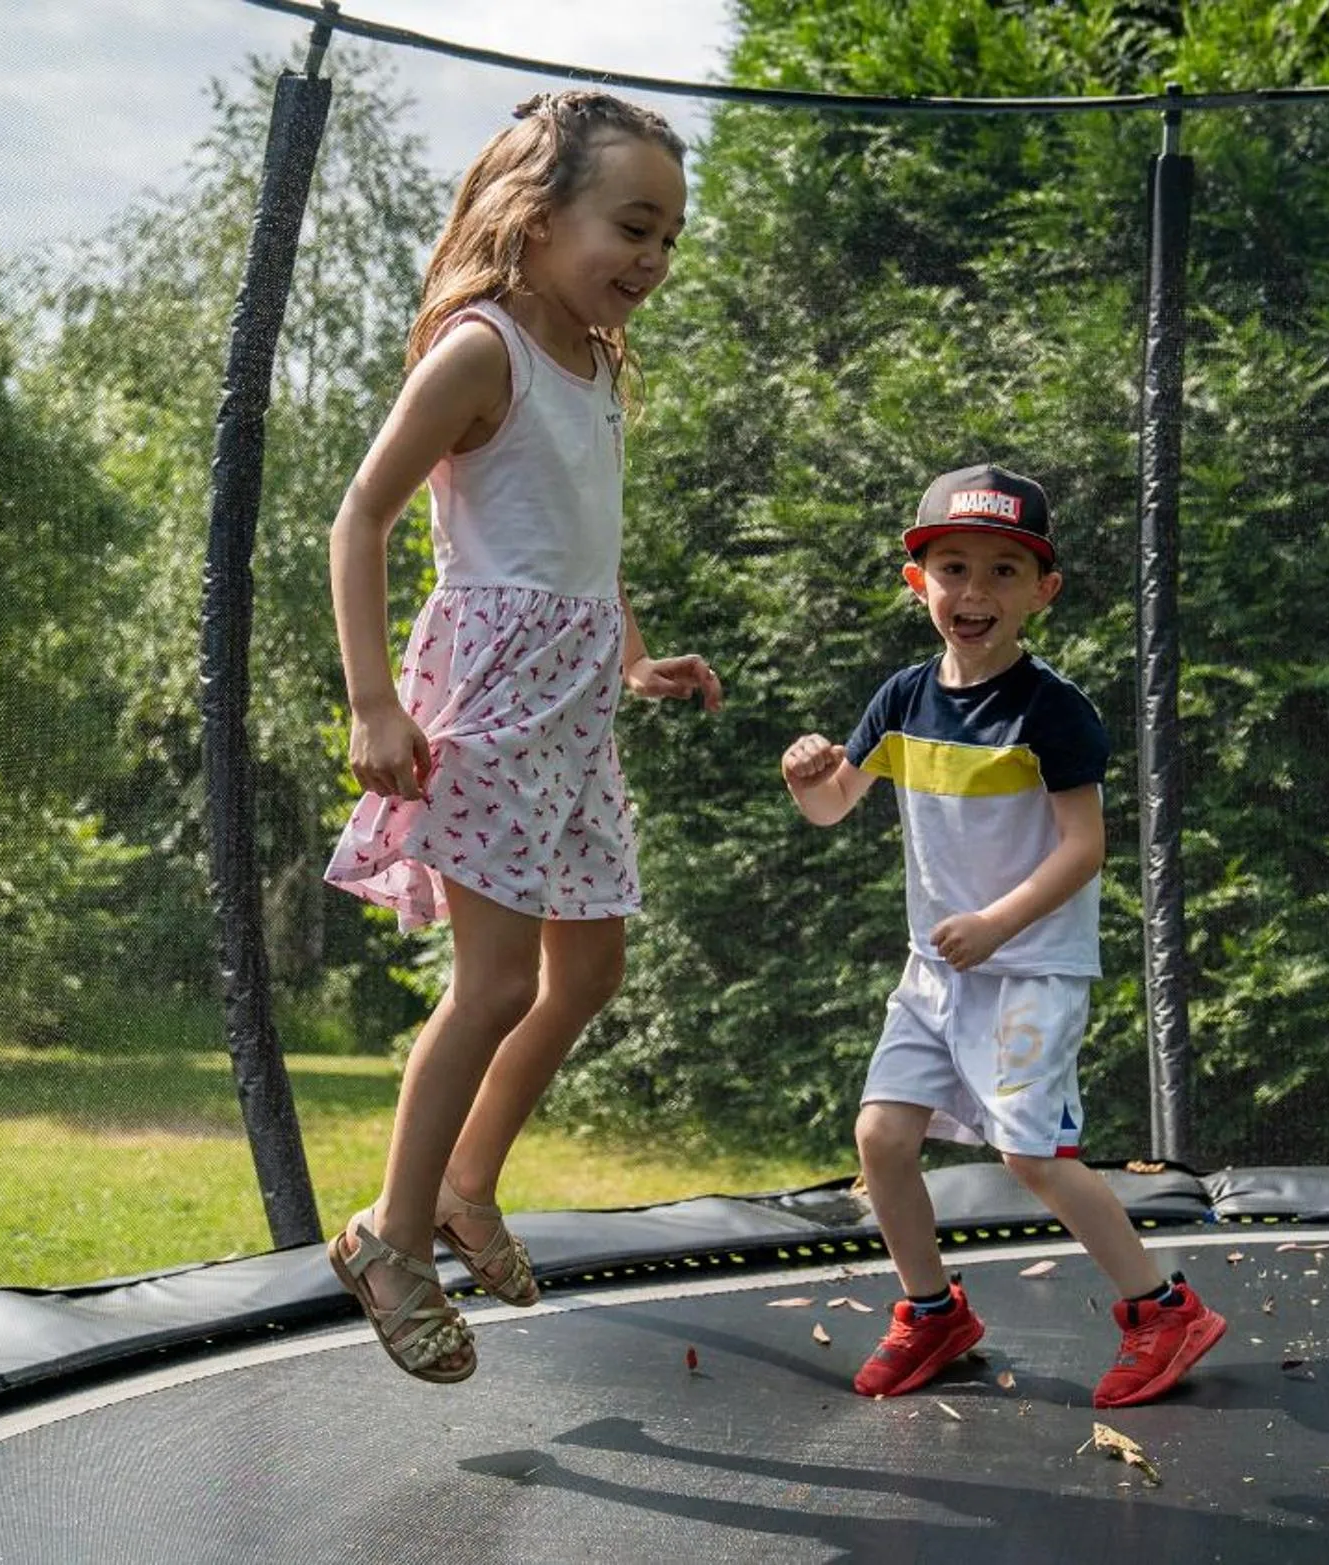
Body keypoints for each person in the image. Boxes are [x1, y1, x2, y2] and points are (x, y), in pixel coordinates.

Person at [322, 91, 721, 1384]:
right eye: (633, 228)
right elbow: (360, 519)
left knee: (586, 972)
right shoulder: (480, 350)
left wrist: (637, 655)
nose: (651, 262)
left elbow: (581, 548)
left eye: (669, 239)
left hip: (577, 712)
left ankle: (466, 1186)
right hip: (490, 706)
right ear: (538, 219)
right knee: (492, 983)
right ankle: (391, 1233)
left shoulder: (600, 361)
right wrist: (374, 701)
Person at [779, 463, 1227, 1409]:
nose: (973, 593)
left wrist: (995, 922)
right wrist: (807, 772)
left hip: (1028, 968)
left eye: (1001, 572)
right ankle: (932, 1311)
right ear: (918, 582)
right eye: (952, 568)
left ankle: (1162, 1307)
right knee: (880, 1136)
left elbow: (1084, 847)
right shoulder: (901, 698)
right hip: (934, 972)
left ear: (1041, 592)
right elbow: (832, 806)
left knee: (1031, 1156)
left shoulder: (1051, 711)